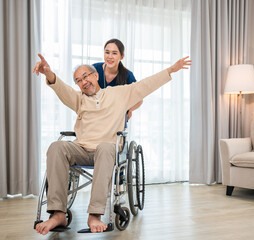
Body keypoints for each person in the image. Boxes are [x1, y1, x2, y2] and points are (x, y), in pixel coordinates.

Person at [32, 53, 191, 235]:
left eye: (86, 76)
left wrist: (171, 69)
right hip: (82, 148)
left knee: (106, 146)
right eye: (78, 80)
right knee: (56, 146)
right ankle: (58, 213)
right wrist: (48, 73)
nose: (83, 82)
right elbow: (60, 88)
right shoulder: (79, 99)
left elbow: (145, 85)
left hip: (107, 150)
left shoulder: (119, 94)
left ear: (95, 76)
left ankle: (94, 215)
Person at [93, 38, 141, 120]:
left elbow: (139, 99)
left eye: (114, 53)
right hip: (96, 116)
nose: (110, 56)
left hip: (116, 119)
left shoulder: (128, 75)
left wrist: (129, 109)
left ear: (122, 56)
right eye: (107, 52)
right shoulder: (94, 69)